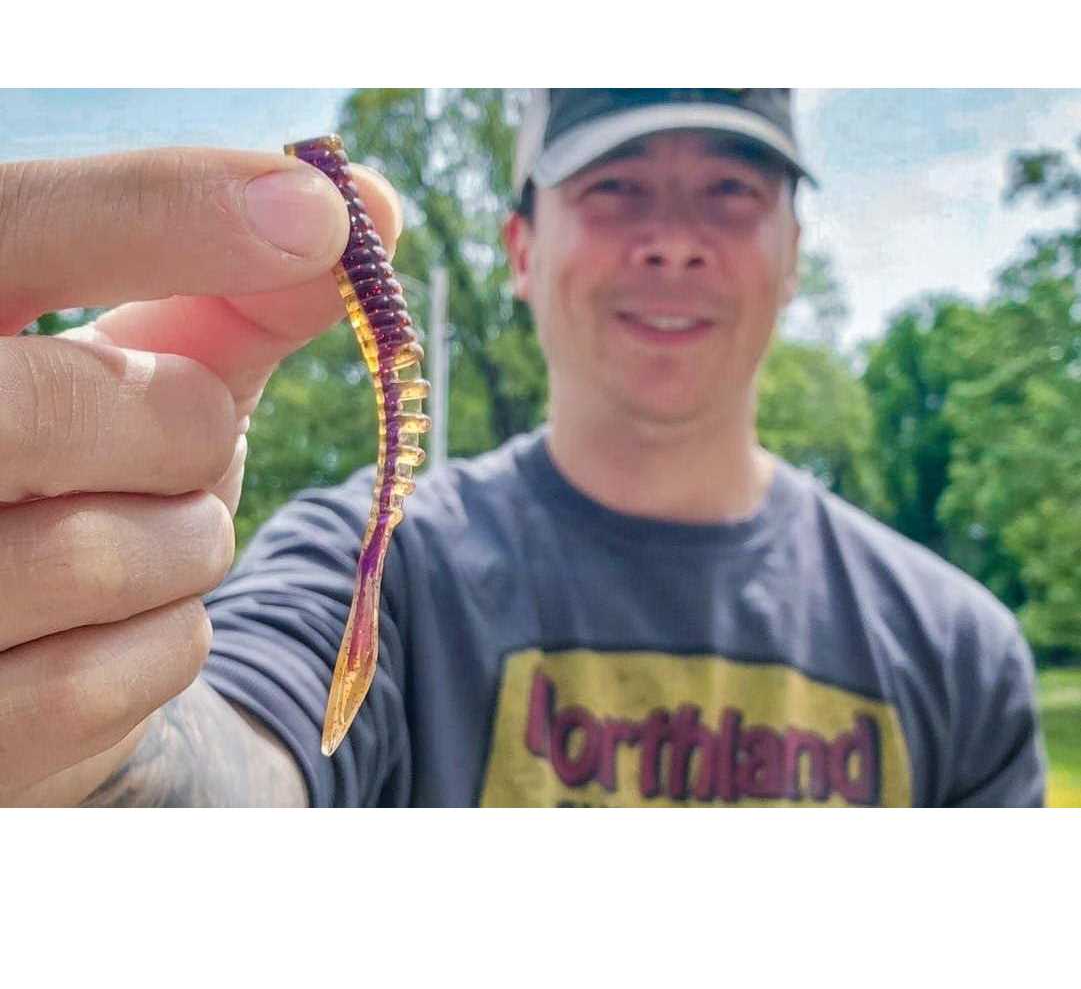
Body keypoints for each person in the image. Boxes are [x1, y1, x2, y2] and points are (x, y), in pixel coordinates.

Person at [0, 89, 1046, 807]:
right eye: (614, 185)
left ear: (792, 252)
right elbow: (238, 761)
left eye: (731, 189)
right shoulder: (388, 564)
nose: (671, 236)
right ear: (520, 250)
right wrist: (93, 749)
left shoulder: (959, 653)